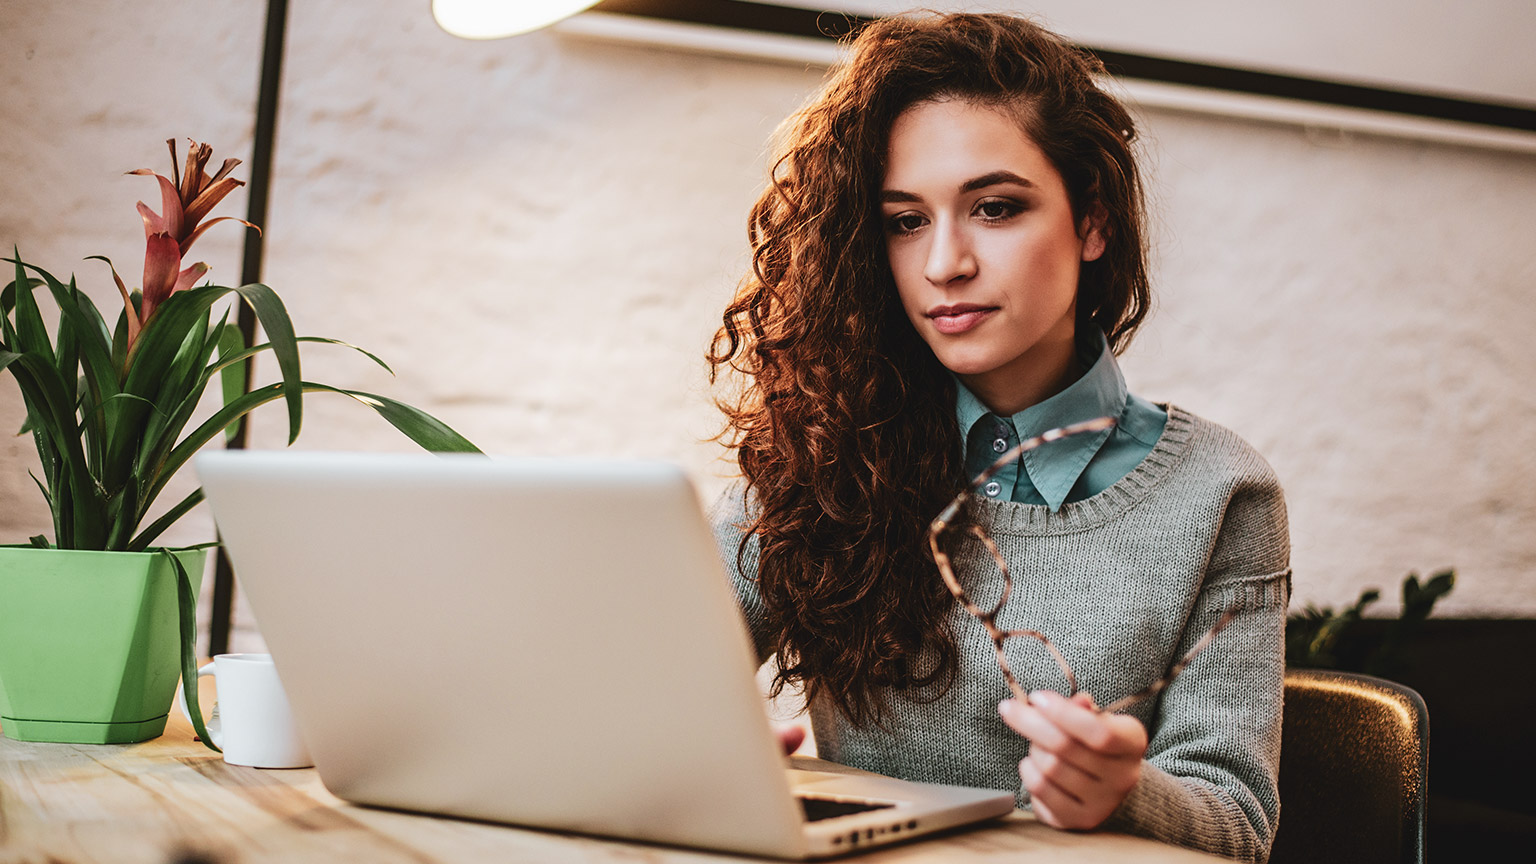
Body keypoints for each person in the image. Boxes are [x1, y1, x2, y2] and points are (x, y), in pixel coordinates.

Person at [706, 12, 1290, 864]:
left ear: (1093, 222)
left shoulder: (1222, 492)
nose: (945, 262)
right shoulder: (822, 455)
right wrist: (711, 755)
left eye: (995, 208)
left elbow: (1237, 824)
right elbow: (642, 684)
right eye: (905, 220)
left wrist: (1128, 794)